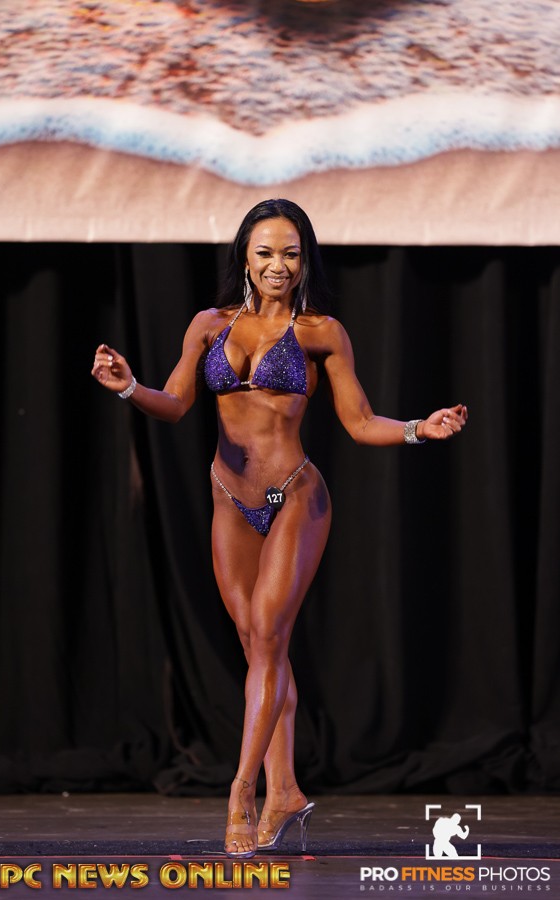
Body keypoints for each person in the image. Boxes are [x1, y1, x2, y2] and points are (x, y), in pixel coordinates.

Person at [91, 198, 468, 858]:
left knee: (268, 636)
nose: (278, 265)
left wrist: (417, 429)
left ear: (304, 260)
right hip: (228, 500)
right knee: (259, 648)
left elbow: (359, 422)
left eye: (291, 254)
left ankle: (242, 792)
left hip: (296, 496)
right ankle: (287, 789)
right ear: (244, 256)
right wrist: (127, 388)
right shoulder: (209, 325)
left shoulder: (321, 332)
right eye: (265, 252)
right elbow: (174, 404)